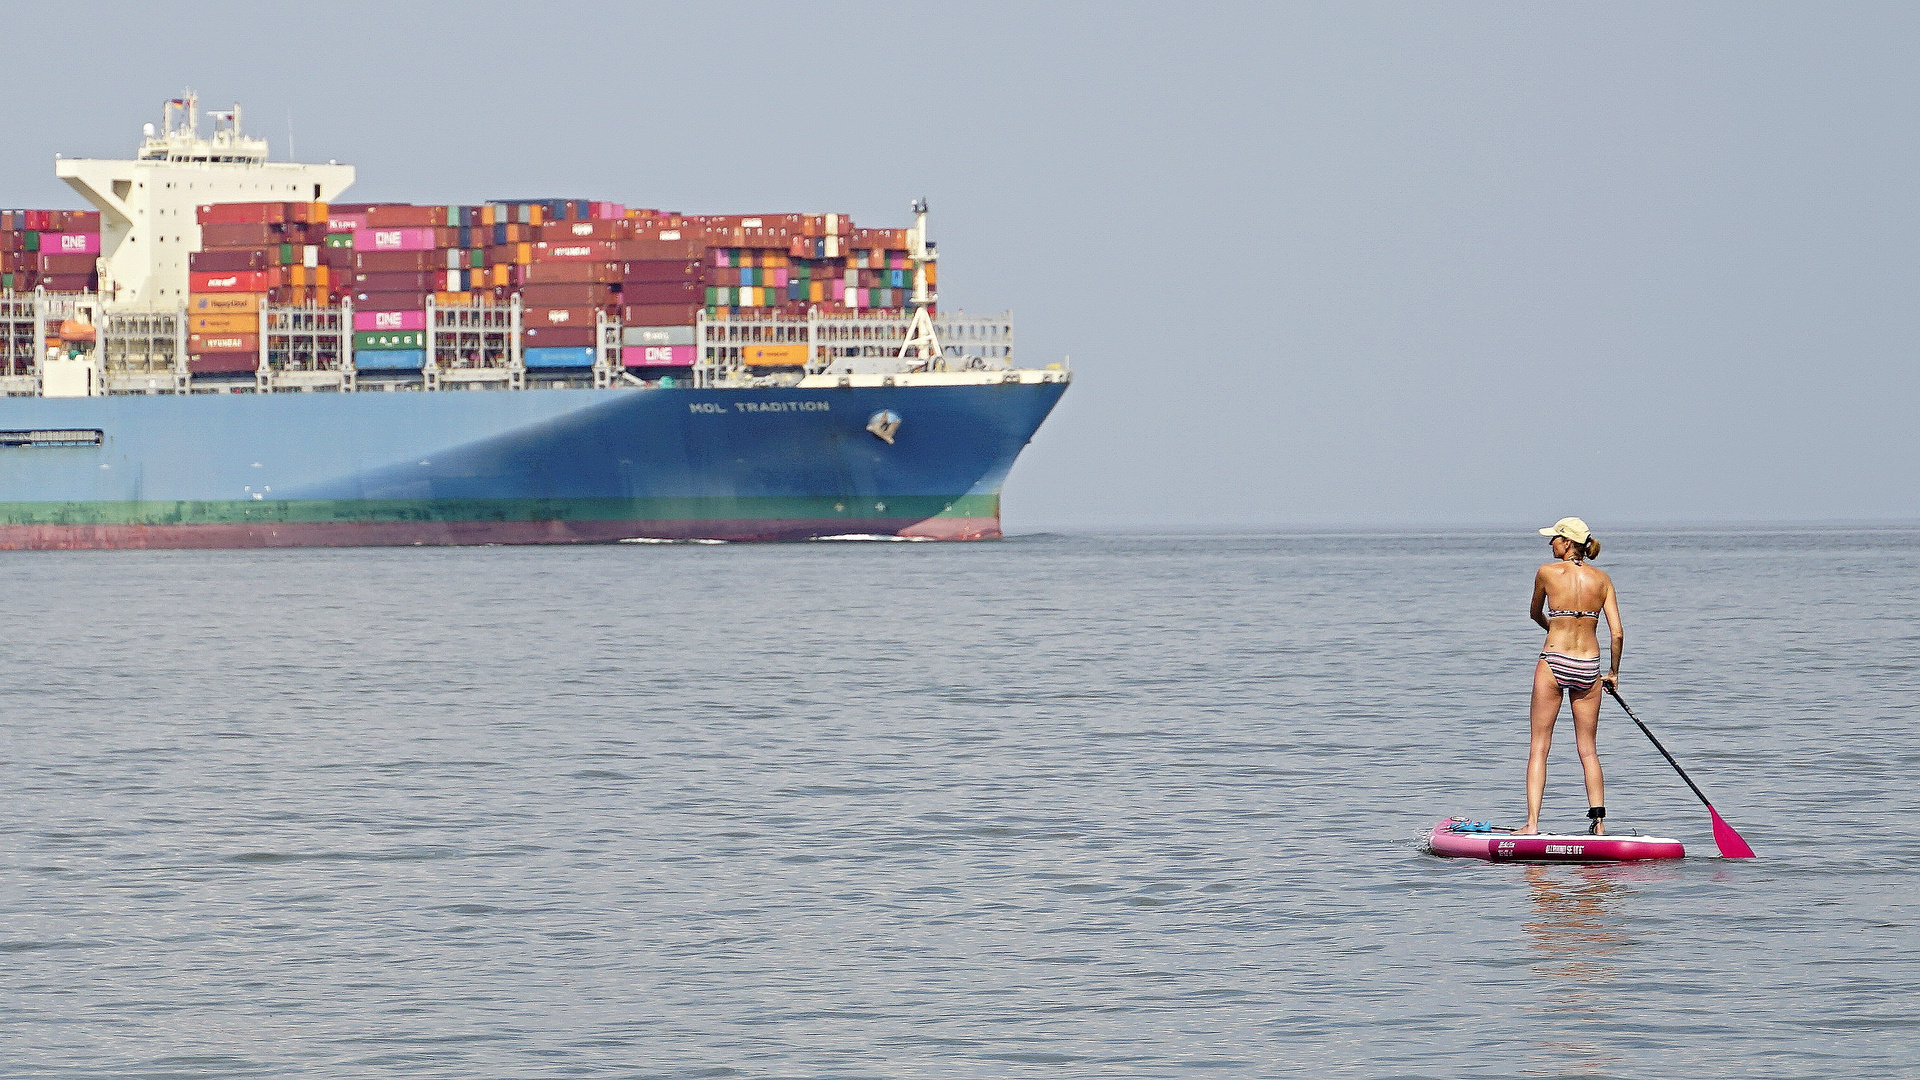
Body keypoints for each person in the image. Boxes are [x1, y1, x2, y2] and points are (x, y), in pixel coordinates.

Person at [1520, 517, 1623, 836]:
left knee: (1539, 744)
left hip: (1553, 661)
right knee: (1588, 748)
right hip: (1589, 665)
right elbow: (1617, 634)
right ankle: (1600, 824)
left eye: (1554, 538)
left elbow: (1535, 613)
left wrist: (1556, 629)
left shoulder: (1546, 573)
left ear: (1567, 542)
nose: (1550, 543)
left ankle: (1533, 824)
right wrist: (1613, 674)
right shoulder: (1602, 579)